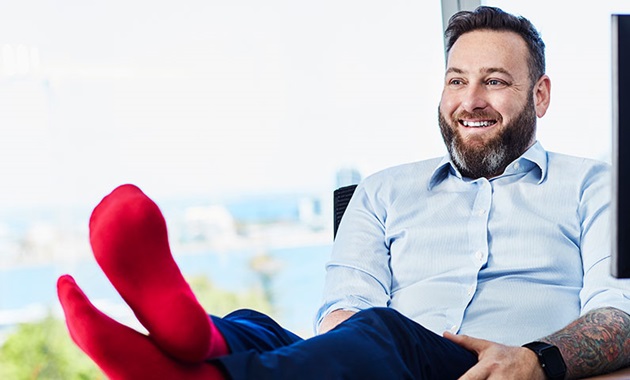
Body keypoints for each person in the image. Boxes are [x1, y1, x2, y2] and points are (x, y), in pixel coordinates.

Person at [56, 6, 630, 380]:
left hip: (497, 367)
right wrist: (342, 347)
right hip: (383, 365)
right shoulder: (383, 191)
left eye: (496, 82)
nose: (470, 99)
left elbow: (621, 312)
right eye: (457, 80)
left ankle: (206, 371)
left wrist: (536, 361)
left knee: (384, 332)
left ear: (542, 96)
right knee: (257, 322)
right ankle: (206, 340)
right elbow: (344, 306)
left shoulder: (594, 185)